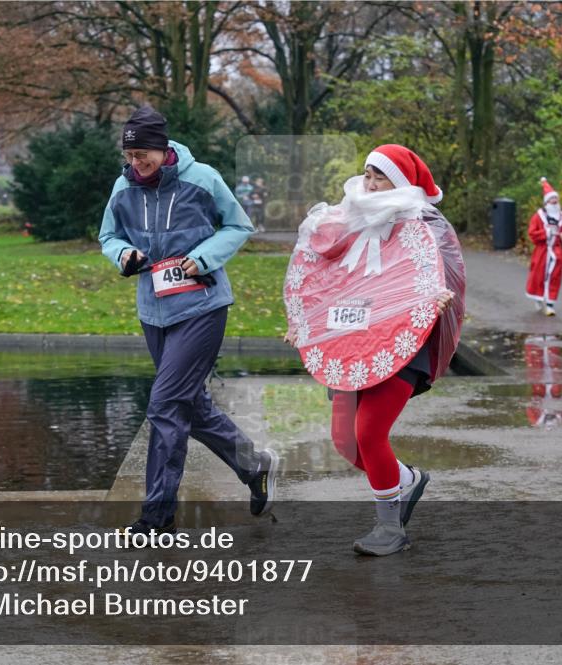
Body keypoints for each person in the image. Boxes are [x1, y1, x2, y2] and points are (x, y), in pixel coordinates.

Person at [98, 106, 278, 539]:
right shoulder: (123, 186)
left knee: (164, 406)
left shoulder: (203, 179)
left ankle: (156, 519)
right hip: (153, 311)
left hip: (202, 307)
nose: (136, 163)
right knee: (189, 407)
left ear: (162, 149)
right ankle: (253, 465)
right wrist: (123, 254)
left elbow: (238, 225)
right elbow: (108, 235)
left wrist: (202, 259)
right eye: (130, 154)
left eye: (144, 154)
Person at [283, 144, 465, 556]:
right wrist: (306, 325)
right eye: (366, 173)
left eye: (379, 176)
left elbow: (440, 275)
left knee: (369, 432)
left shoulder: (423, 226)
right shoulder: (345, 223)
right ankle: (405, 480)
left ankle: (390, 527)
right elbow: (323, 279)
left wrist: (435, 301)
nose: (368, 183)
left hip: (404, 343)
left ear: (399, 183)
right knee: (346, 442)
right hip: (349, 345)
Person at [525, 177, 562, 316]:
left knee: (555, 277)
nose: (555, 201)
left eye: (556, 199)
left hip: (556, 252)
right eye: (552, 199)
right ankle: (538, 298)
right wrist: (546, 232)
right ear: (546, 202)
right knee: (538, 276)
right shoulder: (538, 216)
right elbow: (532, 233)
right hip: (542, 251)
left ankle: (550, 303)